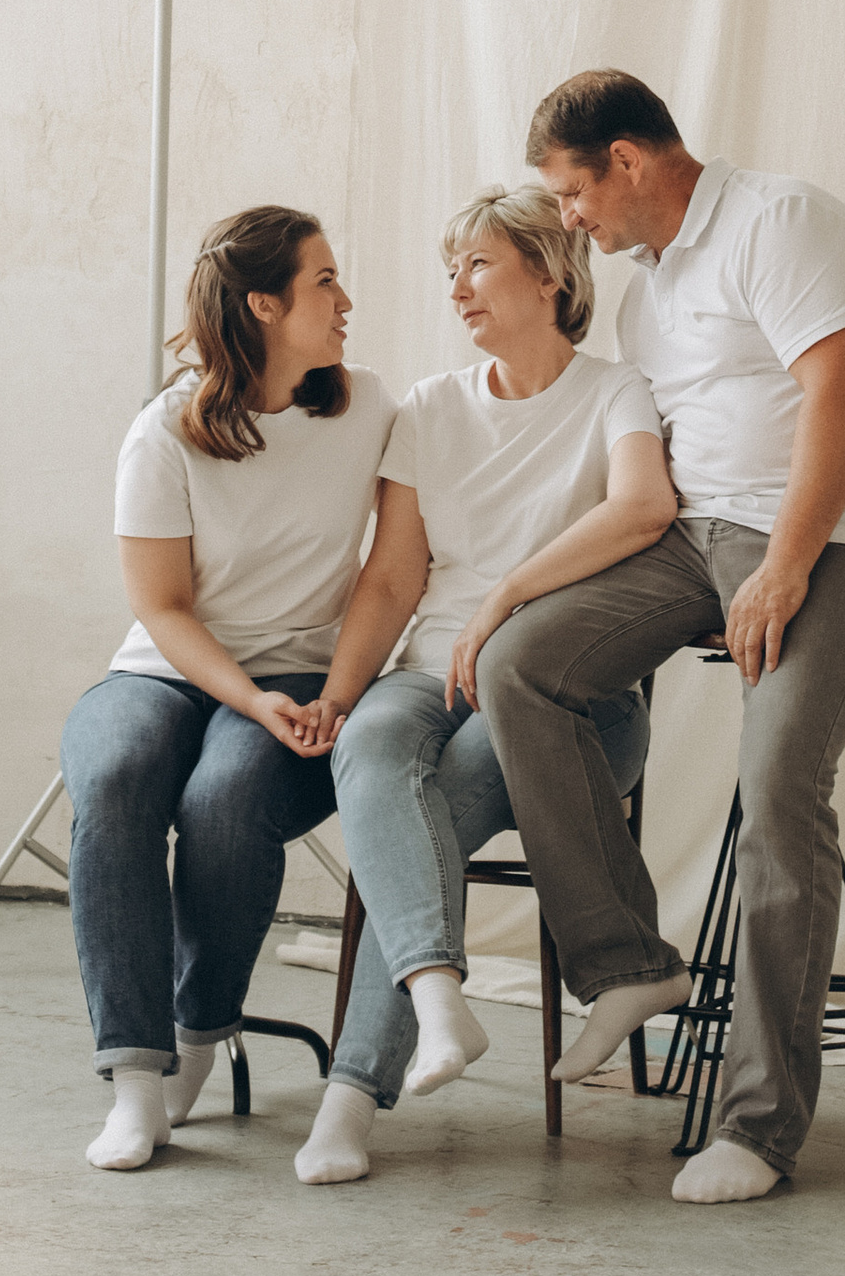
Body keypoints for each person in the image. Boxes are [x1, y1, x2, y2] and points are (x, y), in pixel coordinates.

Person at [478, 71, 845, 1208]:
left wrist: (784, 566)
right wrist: (511, 587)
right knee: (519, 666)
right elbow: (658, 485)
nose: (569, 218)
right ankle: (627, 963)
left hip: (843, 546)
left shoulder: (782, 220)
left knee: (780, 780)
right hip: (696, 540)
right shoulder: (649, 291)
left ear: (627, 161)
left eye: (572, 191)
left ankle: (759, 1125)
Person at [287, 183, 675, 1185]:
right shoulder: (430, 409)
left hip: (563, 705)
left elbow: (643, 508)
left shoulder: (615, 395)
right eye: (449, 269)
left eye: (476, 264)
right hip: (427, 675)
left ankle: (349, 1095)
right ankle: (434, 997)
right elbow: (391, 576)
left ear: (547, 274)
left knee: (445, 795)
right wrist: (341, 689)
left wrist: (506, 595)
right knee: (370, 749)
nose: (454, 288)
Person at [59, 206, 390, 1171]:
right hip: (169, 672)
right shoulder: (163, 431)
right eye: (325, 281)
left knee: (226, 799)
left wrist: (326, 689)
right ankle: (133, 1082)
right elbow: (161, 609)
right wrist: (246, 700)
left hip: (302, 674)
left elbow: (394, 569)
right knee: (115, 777)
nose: (344, 300)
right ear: (263, 303)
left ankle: (198, 1038)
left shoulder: (366, 409)